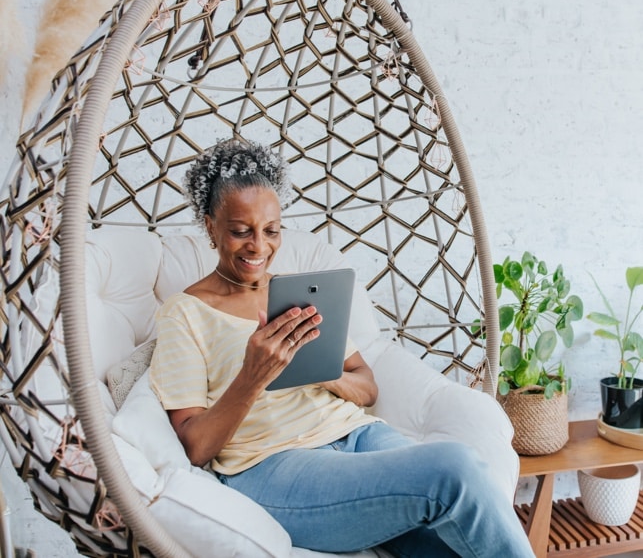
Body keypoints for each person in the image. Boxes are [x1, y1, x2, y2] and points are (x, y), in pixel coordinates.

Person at [149, 138, 535, 557]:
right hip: (275, 466)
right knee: (455, 470)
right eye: (241, 231)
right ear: (211, 226)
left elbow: (367, 387)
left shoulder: (296, 294)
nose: (259, 247)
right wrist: (253, 376)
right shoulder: (184, 313)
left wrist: (321, 369)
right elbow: (195, 446)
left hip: (359, 435)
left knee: (446, 545)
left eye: (271, 230)